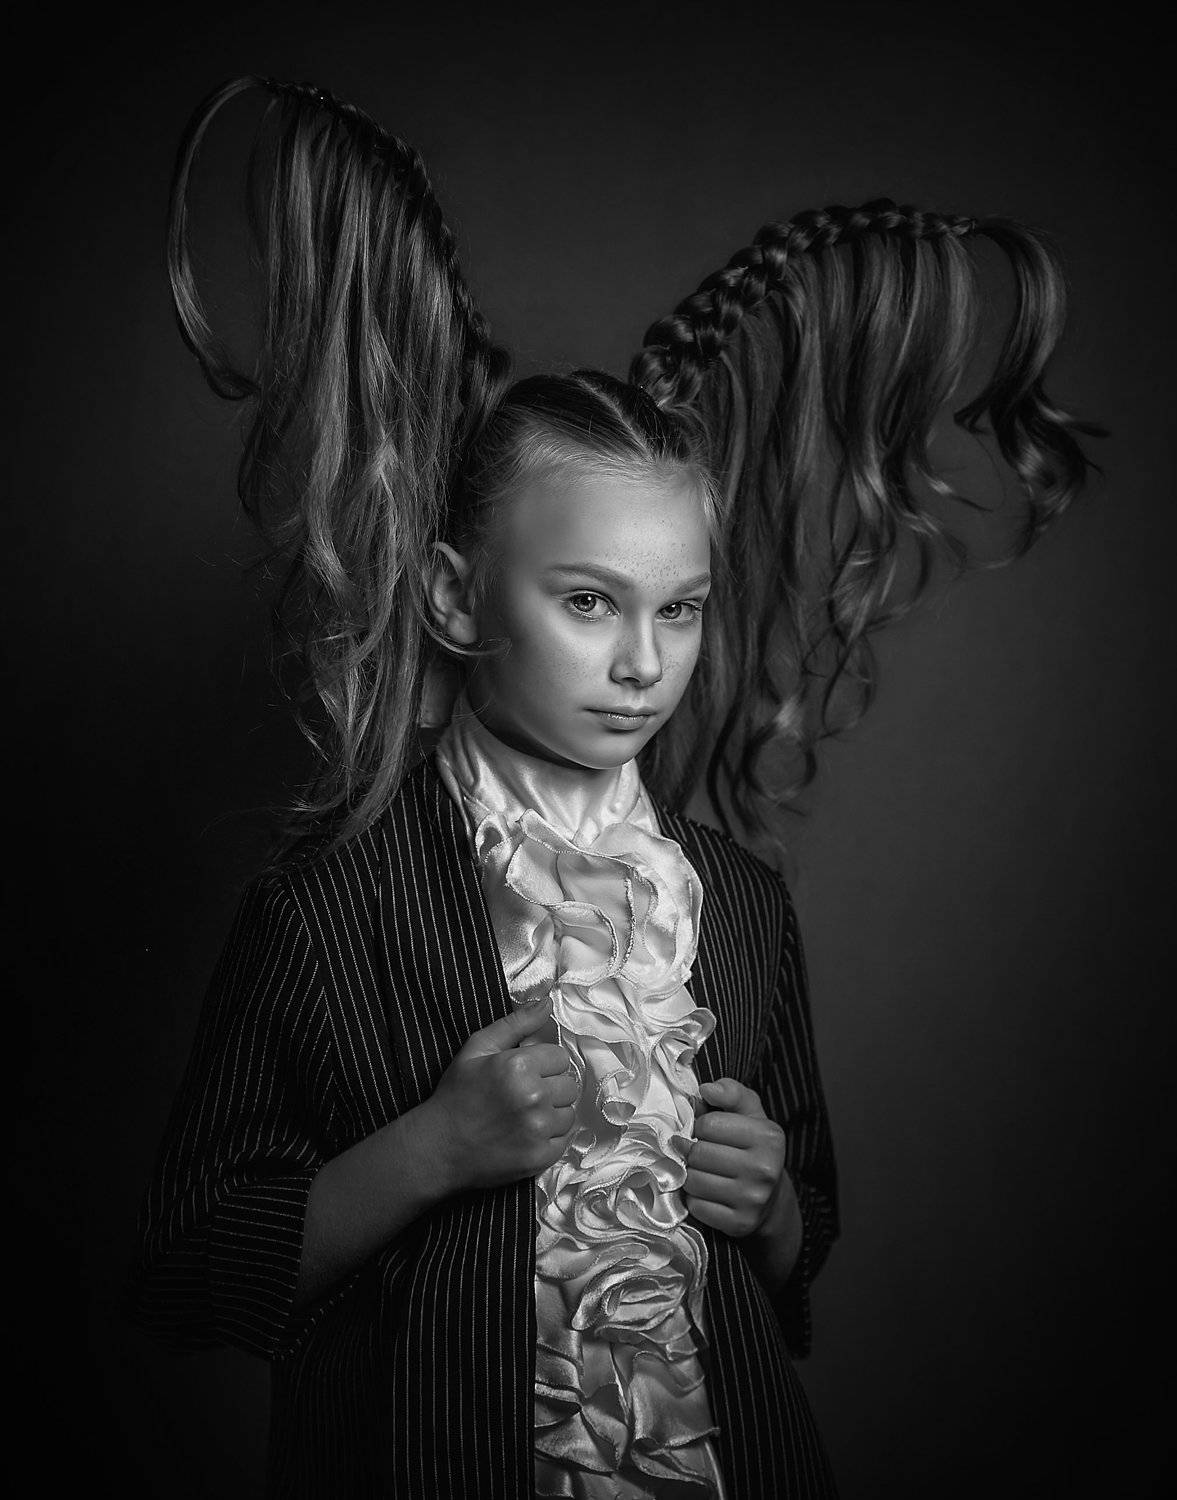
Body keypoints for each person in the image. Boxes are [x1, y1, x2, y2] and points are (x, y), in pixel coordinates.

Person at [128, 76, 1098, 1500]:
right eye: (588, 601)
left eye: (679, 609)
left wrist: (771, 1208)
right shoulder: (330, 908)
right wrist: (430, 1150)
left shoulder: (739, 905)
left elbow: (801, 1241)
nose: (644, 663)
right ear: (456, 597)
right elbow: (184, 1271)